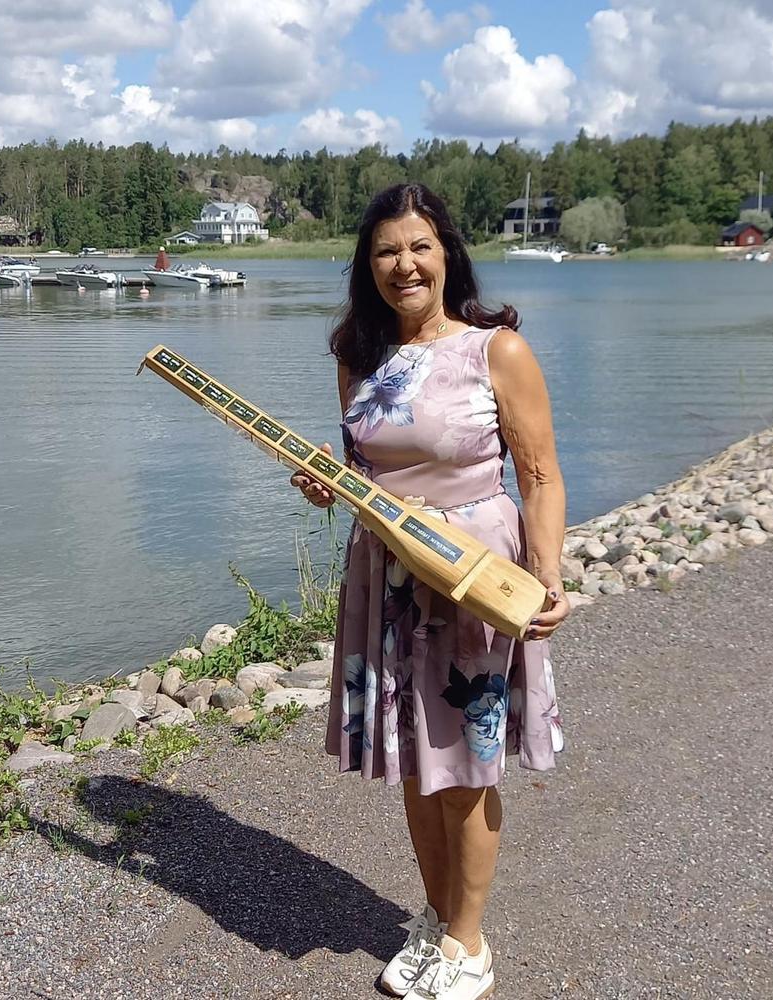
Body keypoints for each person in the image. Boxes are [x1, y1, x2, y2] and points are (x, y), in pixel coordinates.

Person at [290, 183, 568, 1000]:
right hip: (386, 573)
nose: (403, 265)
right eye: (386, 251)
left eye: (419, 247)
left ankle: (468, 946)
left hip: (474, 574)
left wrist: (548, 574)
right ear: (367, 265)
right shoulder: (358, 356)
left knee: (467, 761)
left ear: (447, 253)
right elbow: (363, 471)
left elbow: (539, 476)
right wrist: (327, 484)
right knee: (415, 760)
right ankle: (440, 918)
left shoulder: (496, 352)